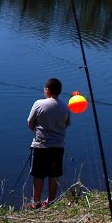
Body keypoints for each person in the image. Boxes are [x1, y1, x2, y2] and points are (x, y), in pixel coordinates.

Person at [26, 78, 71, 209]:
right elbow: (66, 124)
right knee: (54, 174)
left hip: (40, 145)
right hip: (58, 147)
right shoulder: (65, 107)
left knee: (38, 175)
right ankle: (50, 201)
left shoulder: (39, 104)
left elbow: (30, 122)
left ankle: (36, 203)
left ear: (48, 90)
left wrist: (37, 132)